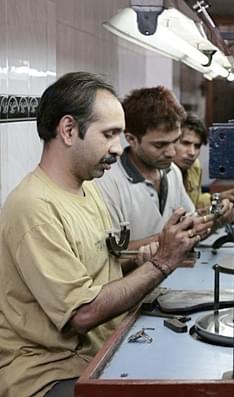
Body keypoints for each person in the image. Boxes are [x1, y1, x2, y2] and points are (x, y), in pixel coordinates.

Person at [0, 72, 210, 397]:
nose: (117, 148)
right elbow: (81, 314)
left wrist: (157, 250)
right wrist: (162, 263)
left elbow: (104, 263)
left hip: (98, 351)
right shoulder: (34, 207)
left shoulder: (86, 190)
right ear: (69, 130)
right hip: (49, 374)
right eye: (109, 135)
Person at [96, 86, 229, 249]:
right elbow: (109, 254)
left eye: (175, 141)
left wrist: (217, 220)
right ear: (131, 139)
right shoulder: (107, 181)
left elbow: (190, 229)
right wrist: (167, 239)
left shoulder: (172, 172)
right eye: (160, 145)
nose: (171, 152)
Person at [173, 114, 234, 209]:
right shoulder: (162, 172)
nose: (192, 153)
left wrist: (218, 197)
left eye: (197, 146)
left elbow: (194, 201)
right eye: (185, 143)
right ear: (171, 142)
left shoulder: (194, 166)